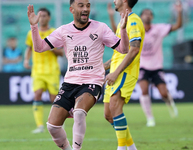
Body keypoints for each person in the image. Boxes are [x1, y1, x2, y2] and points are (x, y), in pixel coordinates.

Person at [27, 0, 130, 149]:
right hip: (70, 83)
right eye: (81, 5)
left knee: (79, 112)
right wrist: (34, 26)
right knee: (52, 126)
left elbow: (124, 49)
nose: (85, 9)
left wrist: (124, 30)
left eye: (87, 5)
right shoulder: (64, 30)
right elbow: (39, 47)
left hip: (92, 82)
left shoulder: (100, 28)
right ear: (71, 9)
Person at [103, 0, 145, 149]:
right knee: (108, 114)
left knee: (115, 107)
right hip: (115, 71)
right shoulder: (124, 21)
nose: (114, 0)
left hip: (125, 72)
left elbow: (134, 49)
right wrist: (104, 67)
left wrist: (115, 73)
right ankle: (132, 148)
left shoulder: (133, 21)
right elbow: (120, 52)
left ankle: (121, 148)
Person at [138, 1, 183, 127]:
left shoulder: (159, 29)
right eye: (145, 14)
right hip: (142, 66)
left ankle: (170, 103)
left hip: (156, 66)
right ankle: (150, 118)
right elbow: (117, 30)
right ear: (141, 16)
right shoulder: (136, 30)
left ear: (152, 17)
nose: (147, 16)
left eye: (149, 14)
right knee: (144, 90)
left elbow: (178, 26)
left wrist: (179, 11)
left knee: (163, 93)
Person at [24, 7, 63, 134]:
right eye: (40, 16)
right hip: (37, 71)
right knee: (37, 94)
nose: (42, 18)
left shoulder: (54, 32)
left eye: (45, 16)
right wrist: (26, 60)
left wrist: (50, 48)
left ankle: (56, 123)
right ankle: (40, 125)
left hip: (52, 71)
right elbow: (29, 47)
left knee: (53, 98)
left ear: (49, 18)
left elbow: (62, 52)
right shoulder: (31, 33)